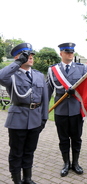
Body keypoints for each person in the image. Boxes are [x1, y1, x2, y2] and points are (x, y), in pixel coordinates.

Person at [0, 43, 48, 184]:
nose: (31, 58)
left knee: (29, 151)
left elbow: (45, 98)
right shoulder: (11, 75)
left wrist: (44, 118)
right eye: (27, 56)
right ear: (18, 57)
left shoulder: (39, 76)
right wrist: (18, 62)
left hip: (35, 120)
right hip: (17, 120)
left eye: (32, 55)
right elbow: (1, 77)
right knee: (16, 153)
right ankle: (17, 180)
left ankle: (27, 178)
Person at [47, 42, 87, 177]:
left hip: (76, 109)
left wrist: (77, 91)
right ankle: (66, 163)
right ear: (61, 53)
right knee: (63, 139)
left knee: (76, 138)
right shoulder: (53, 70)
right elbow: (48, 91)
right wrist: (42, 110)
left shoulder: (81, 68)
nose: (70, 54)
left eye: (71, 52)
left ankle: (75, 163)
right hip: (60, 110)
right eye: (67, 52)